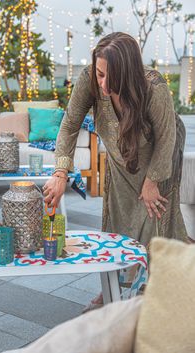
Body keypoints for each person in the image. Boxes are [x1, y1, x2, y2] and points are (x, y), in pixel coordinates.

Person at [43, 32, 188, 307]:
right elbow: (70, 124)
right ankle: (113, 288)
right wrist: (61, 172)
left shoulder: (153, 87)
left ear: (130, 72)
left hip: (160, 154)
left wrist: (153, 180)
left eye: (112, 77)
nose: (104, 84)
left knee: (152, 216)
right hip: (120, 156)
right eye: (100, 74)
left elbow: (167, 138)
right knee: (117, 221)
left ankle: (147, 292)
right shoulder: (89, 79)